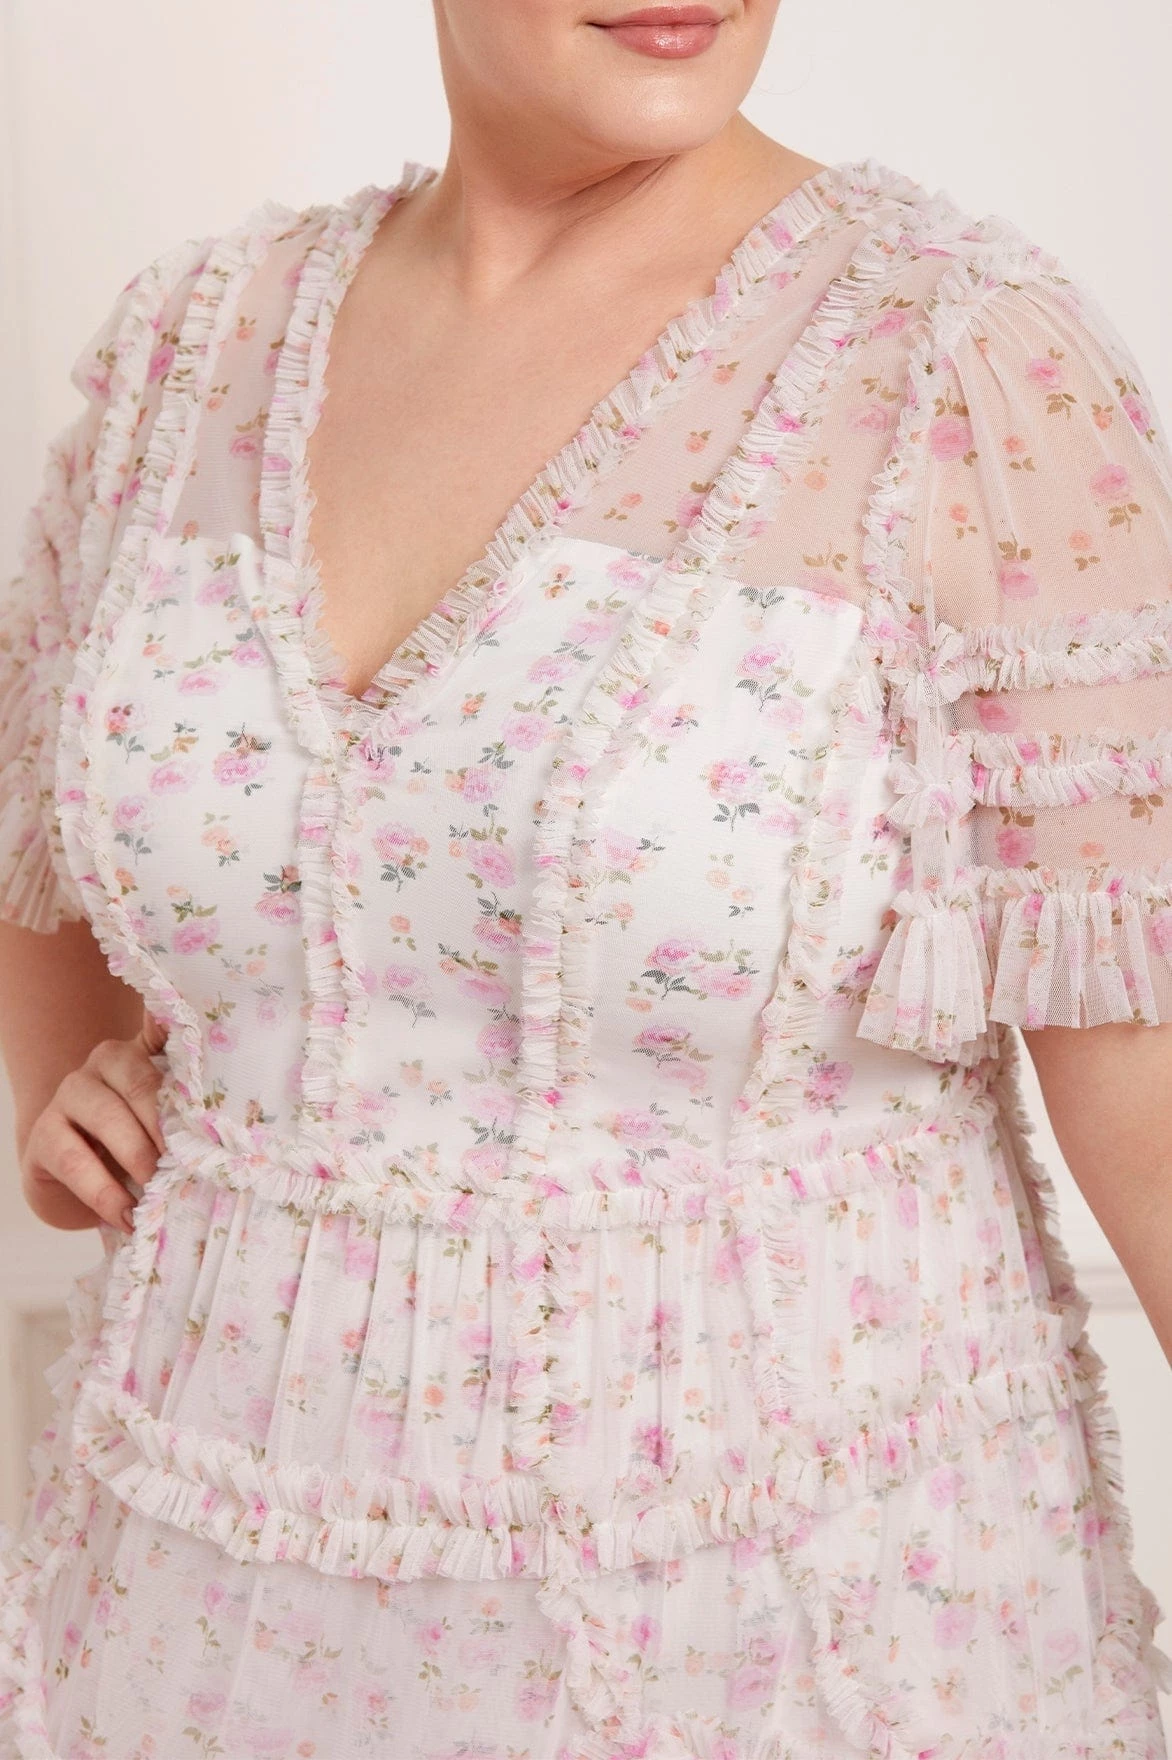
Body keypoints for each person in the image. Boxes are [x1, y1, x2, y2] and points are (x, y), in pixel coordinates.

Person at [1, 1, 1171, 1754]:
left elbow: (1153, 1072)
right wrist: (70, 1093)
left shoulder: (955, 362)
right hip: (200, 1589)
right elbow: (48, 810)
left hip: (792, 1613)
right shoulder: (196, 344)